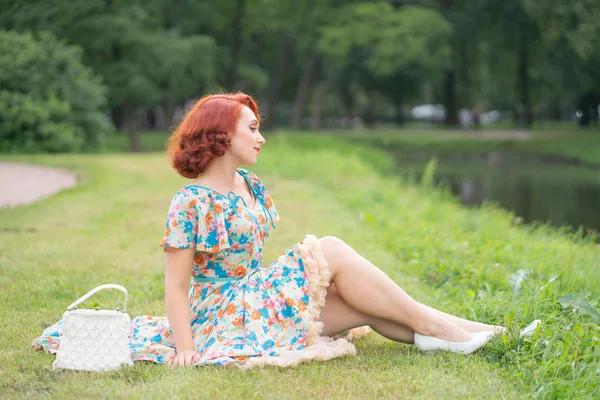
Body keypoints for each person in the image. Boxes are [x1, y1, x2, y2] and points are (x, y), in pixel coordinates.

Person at [33, 93, 540, 368]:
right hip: (222, 314)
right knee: (331, 250)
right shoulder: (189, 202)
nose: (262, 136)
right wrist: (185, 348)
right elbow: (177, 287)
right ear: (219, 135)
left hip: (256, 298)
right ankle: (450, 333)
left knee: (362, 300)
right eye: (251, 128)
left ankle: (480, 335)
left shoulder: (250, 185)